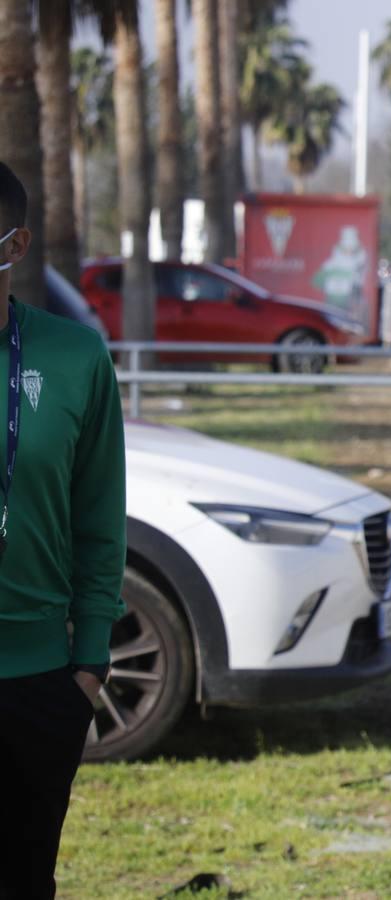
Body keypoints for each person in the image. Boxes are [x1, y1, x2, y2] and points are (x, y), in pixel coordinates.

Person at [0, 162, 127, 898]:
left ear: (14, 246)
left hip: (40, 683)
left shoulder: (73, 356)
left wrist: (89, 663)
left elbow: (99, 514)